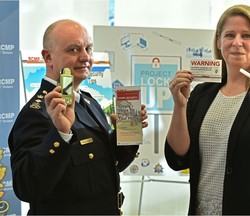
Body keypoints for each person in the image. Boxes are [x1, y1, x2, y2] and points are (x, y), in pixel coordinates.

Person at [8, 19, 148, 215]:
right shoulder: (36, 113)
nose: (85, 57)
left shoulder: (89, 103)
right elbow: (27, 188)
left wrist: (125, 133)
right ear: (48, 57)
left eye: (88, 48)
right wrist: (60, 134)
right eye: (73, 50)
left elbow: (110, 167)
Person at [165, 4, 250, 215]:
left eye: (246, 36)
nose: (237, 43)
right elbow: (179, 157)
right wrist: (179, 105)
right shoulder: (203, 93)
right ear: (219, 41)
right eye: (230, 35)